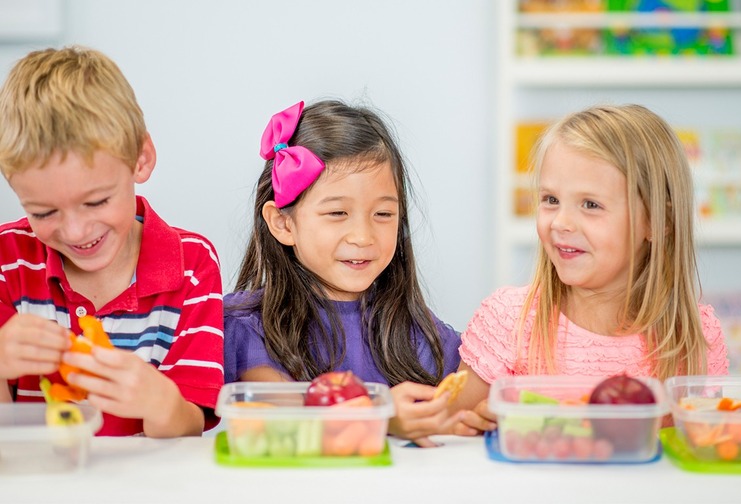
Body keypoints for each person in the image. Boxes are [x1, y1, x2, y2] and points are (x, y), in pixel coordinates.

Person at [450, 104, 729, 434]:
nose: (561, 222)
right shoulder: (509, 320)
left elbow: (706, 442)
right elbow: (449, 431)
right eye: (550, 199)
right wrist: (478, 423)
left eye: (591, 205)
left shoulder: (693, 335)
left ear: (658, 221)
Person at [0, 46, 224, 437]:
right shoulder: (8, 260)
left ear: (141, 159)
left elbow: (190, 425)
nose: (75, 231)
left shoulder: (192, 263)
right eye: (43, 212)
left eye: (96, 201)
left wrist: (159, 400)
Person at [224, 100, 461, 447]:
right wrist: (382, 417)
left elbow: (465, 408)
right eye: (337, 213)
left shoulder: (419, 333)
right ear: (283, 223)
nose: (363, 236)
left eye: (383, 214)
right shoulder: (250, 329)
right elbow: (287, 426)